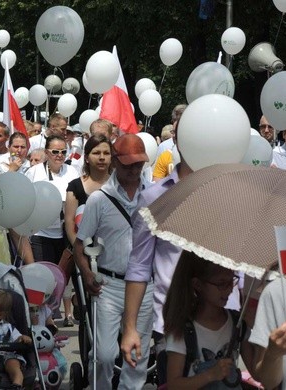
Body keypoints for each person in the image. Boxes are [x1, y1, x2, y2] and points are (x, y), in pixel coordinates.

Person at [73, 134, 151, 389]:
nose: (133, 170)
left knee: (136, 357)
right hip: (109, 285)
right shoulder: (99, 199)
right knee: (104, 356)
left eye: (138, 164)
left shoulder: (153, 195)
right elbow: (79, 245)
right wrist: (86, 275)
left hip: (145, 286)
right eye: (128, 164)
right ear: (116, 162)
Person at [121, 126, 193, 386]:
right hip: (170, 324)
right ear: (177, 140)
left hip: (223, 319)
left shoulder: (228, 196)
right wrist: (130, 328)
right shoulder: (153, 197)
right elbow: (139, 265)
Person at [163, 251, 253, 388]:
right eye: (221, 284)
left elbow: (258, 372)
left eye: (232, 281)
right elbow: (174, 385)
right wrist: (210, 375)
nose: (229, 290)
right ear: (198, 284)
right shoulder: (184, 329)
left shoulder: (236, 323)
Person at [62, 135, 112, 326]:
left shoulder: (118, 185)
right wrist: (82, 252)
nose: (101, 157)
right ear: (87, 157)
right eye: (96, 153)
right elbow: (69, 223)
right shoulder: (75, 186)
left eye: (106, 153)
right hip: (83, 257)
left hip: (112, 257)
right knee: (89, 309)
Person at [25, 135, 79, 265]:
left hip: (64, 233)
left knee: (61, 278)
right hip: (40, 233)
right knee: (44, 275)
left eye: (63, 152)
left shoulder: (72, 171)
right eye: (55, 151)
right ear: (46, 152)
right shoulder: (34, 172)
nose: (59, 155)